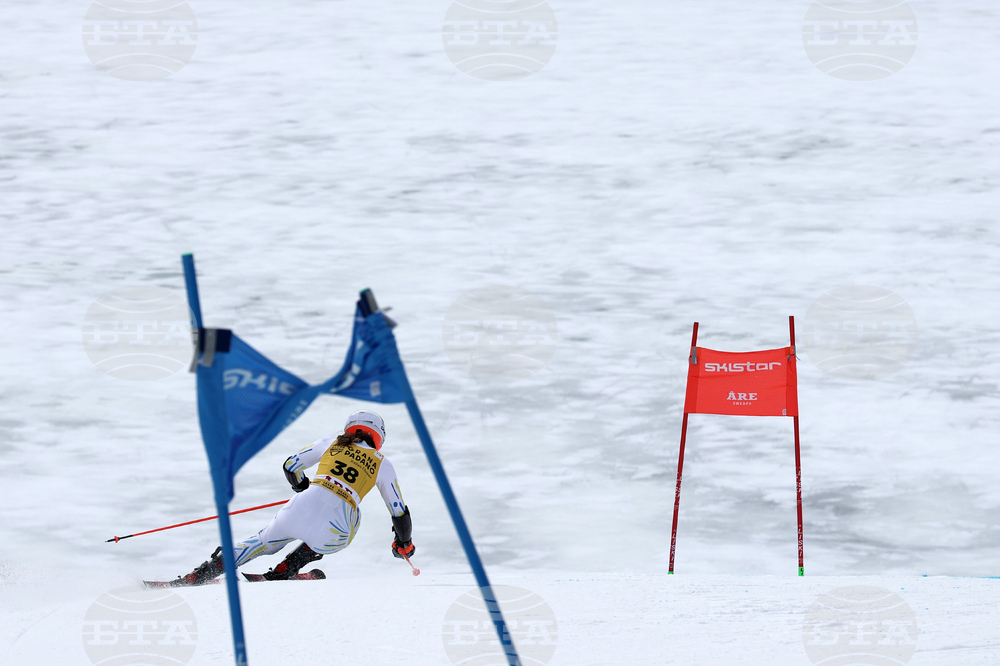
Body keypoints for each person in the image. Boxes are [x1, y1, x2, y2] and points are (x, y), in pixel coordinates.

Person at [176, 410, 414, 585]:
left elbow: (291, 466)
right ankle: (287, 568)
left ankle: (205, 571)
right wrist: (404, 544)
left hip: (300, 507)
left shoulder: (331, 442)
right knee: (353, 517)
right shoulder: (383, 464)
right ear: (378, 436)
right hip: (336, 530)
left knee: (263, 542)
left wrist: (305, 488)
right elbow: (398, 512)